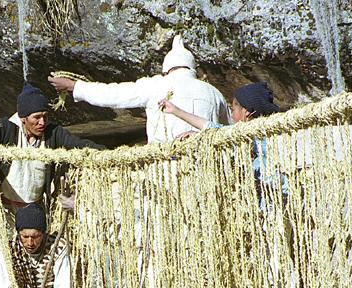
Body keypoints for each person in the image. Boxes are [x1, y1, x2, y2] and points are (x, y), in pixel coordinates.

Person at [48, 35, 229, 144]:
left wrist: (75, 86)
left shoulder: (156, 85)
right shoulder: (214, 93)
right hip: (206, 170)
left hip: (166, 169)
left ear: (167, 68)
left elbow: (114, 95)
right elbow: (228, 130)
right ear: (192, 68)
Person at [0, 82, 104, 218]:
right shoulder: (6, 128)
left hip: (35, 209)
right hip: (4, 210)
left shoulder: (53, 133)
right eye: (37, 117)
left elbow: (78, 144)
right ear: (23, 118)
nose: (42, 122)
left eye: (45, 116)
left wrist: (104, 153)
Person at [160, 81, 288, 210]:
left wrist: (198, 136)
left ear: (247, 112)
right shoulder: (265, 131)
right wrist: (176, 111)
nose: (232, 115)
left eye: (233, 109)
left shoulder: (254, 134)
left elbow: (219, 133)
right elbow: (217, 131)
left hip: (272, 204)